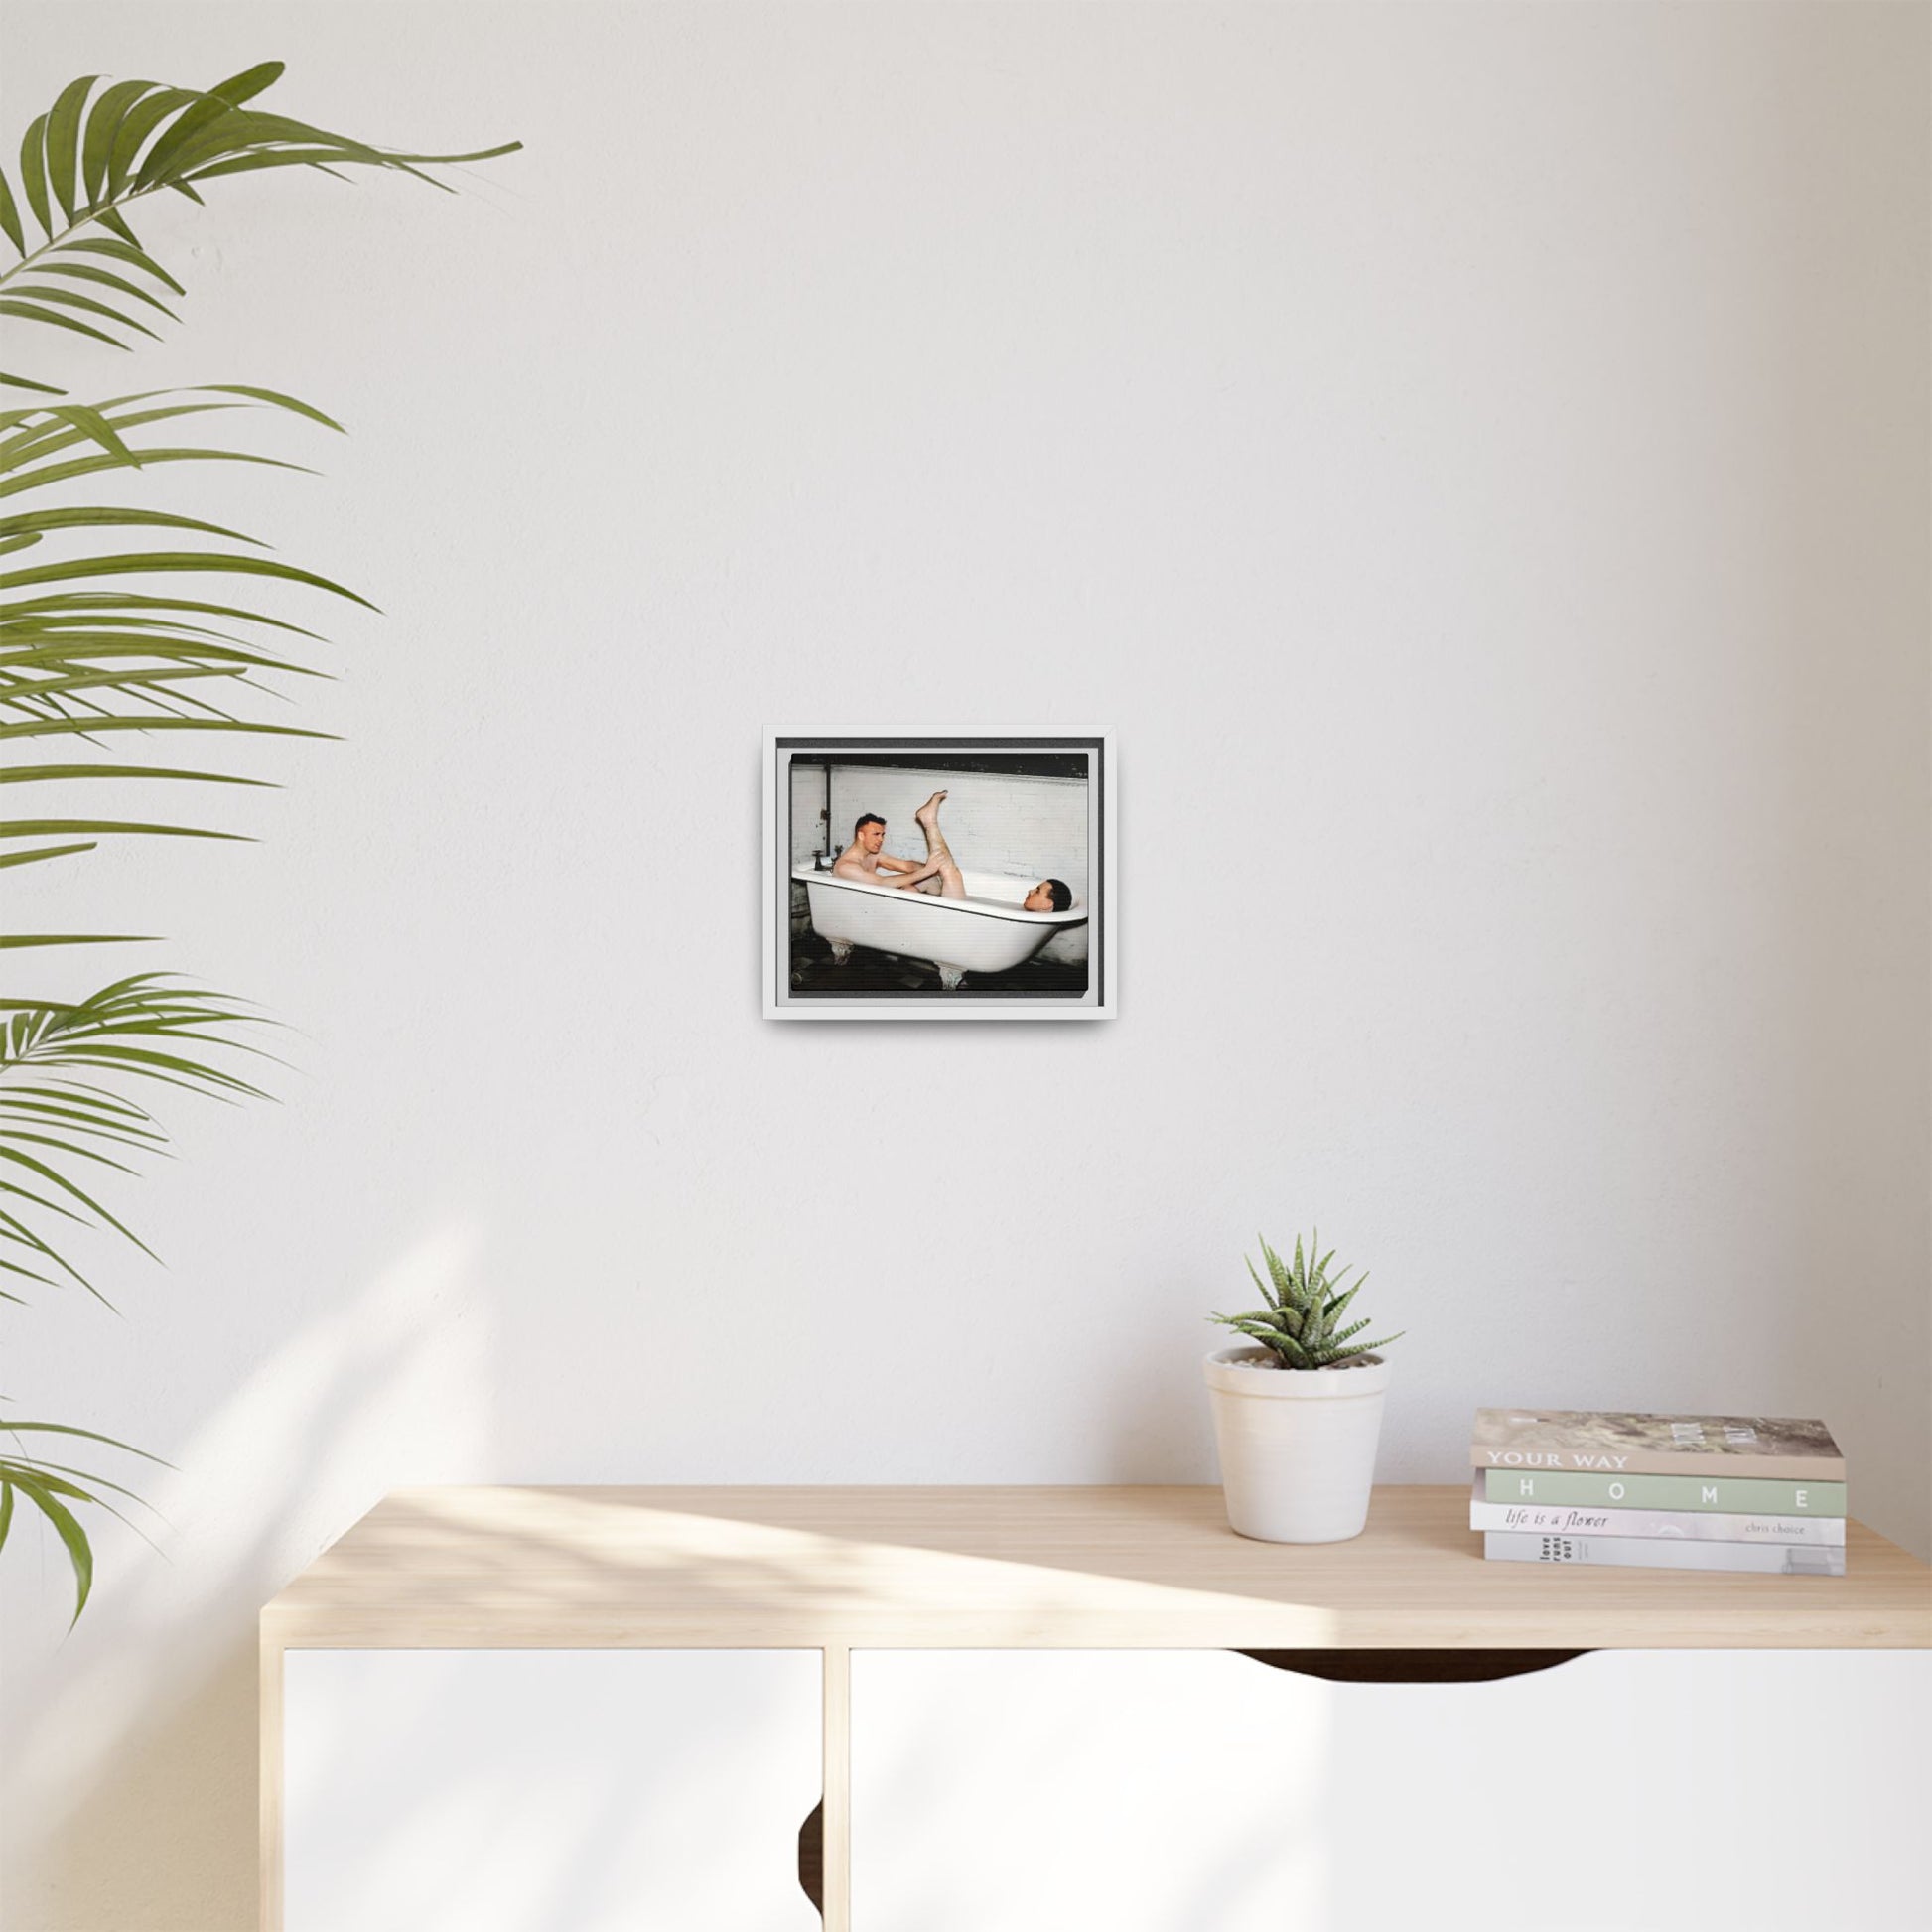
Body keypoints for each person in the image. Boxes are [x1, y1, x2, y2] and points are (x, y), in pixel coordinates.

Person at [833, 792, 1072, 912]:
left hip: (889, 906)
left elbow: (907, 866)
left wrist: (926, 873)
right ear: (860, 835)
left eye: (883, 834)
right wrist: (927, 872)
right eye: (876, 835)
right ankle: (930, 823)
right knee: (950, 875)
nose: (881, 840)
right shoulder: (846, 867)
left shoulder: (874, 856)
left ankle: (931, 828)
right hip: (872, 910)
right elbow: (881, 884)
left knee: (943, 875)